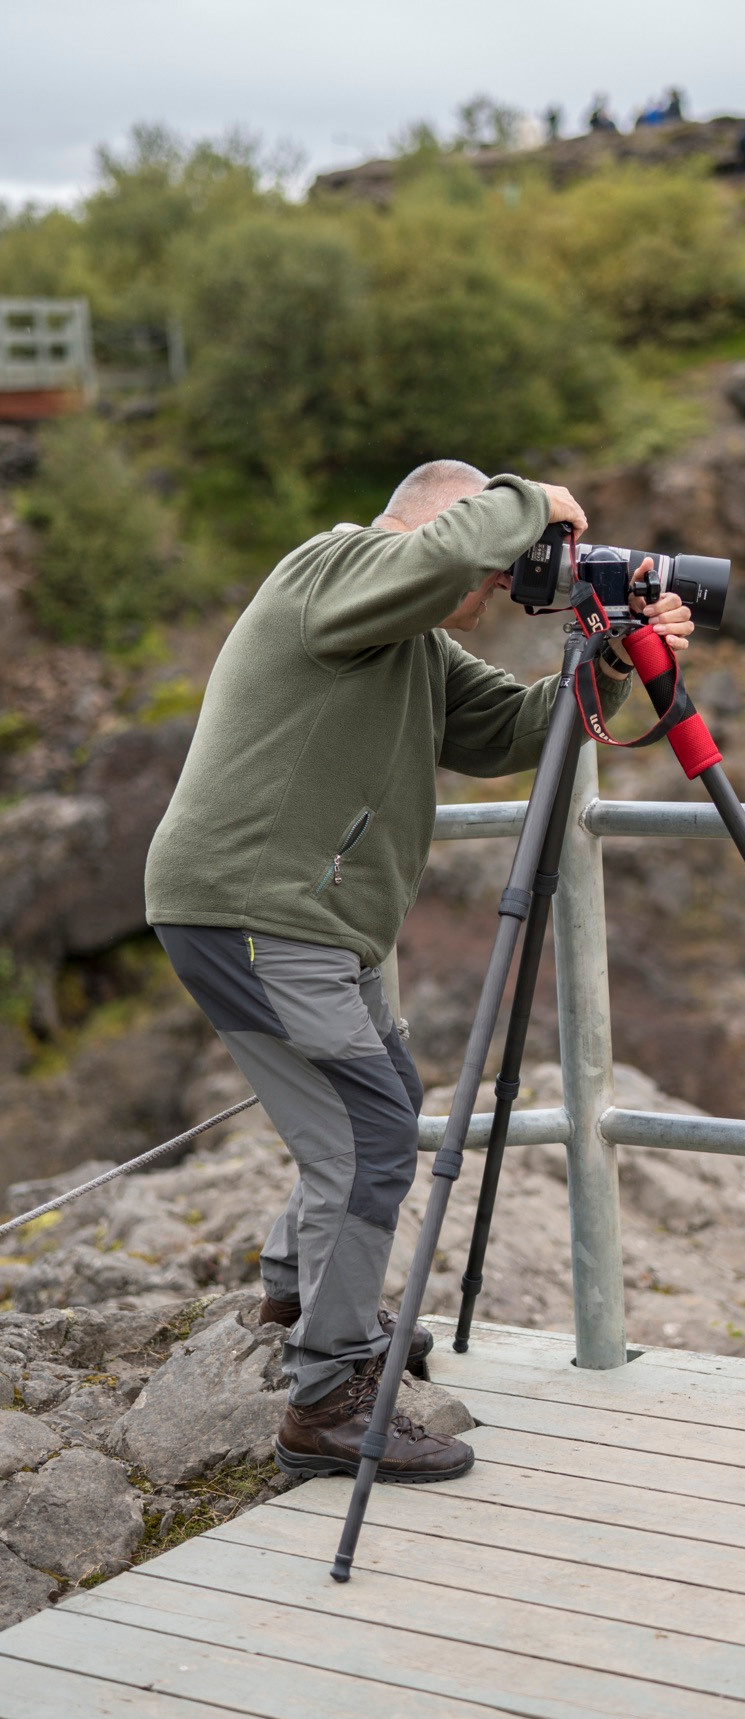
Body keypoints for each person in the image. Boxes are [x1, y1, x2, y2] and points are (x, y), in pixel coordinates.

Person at [144, 462, 696, 1483]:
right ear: (451, 523)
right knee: (370, 1133)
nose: (493, 593)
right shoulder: (332, 566)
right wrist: (538, 500)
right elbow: (445, 554)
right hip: (257, 908)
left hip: (309, 923)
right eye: (494, 573)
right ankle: (329, 1396)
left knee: (383, 1097)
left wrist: (609, 657)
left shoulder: (411, 648)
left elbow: (535, 731)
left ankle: (299, 1289)